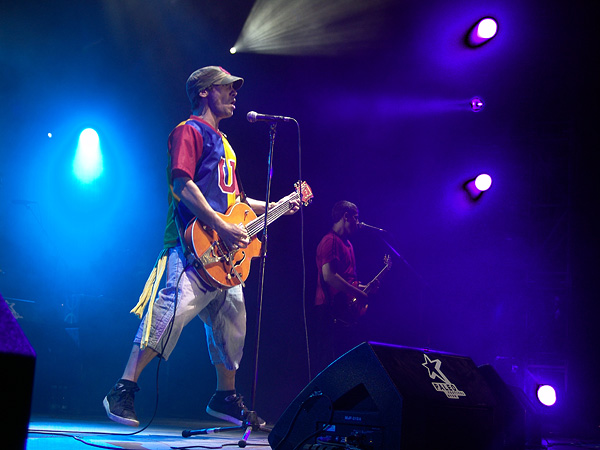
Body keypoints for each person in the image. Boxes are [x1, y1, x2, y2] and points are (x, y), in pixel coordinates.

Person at [103, 66, 299, 428]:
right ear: (206, 91)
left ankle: (224, 396)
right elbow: (182, 185)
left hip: (224, 257)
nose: (235, 93)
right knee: (166, 317)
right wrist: (222, 225)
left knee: (232, 326)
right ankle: (123, 388)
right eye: (227, 87)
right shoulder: (188, 130)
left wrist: (283, 202)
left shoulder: (225, 145)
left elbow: (237, 200)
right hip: (188, 247)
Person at [312, 200, 377, 375]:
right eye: (356, 218)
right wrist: (359, 293)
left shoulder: (348, 244)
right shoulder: (330, 241)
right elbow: (330, 276)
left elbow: (348, 280)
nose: (358, 222)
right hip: (329, 308)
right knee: (329, 362)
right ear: (345, 216)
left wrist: (364, 288)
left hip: (343, 309)